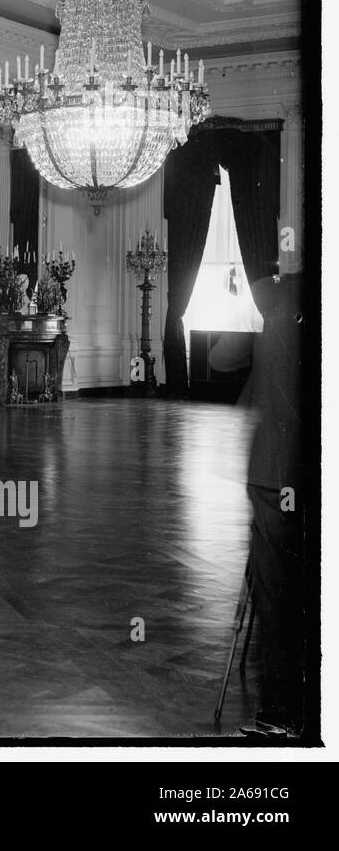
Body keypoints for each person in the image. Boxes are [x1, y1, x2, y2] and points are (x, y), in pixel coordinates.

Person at [208, 271, 305, 739]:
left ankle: (285, 712)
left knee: (279, 593)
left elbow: (221, 356)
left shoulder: (277, 291)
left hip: (278, 471)